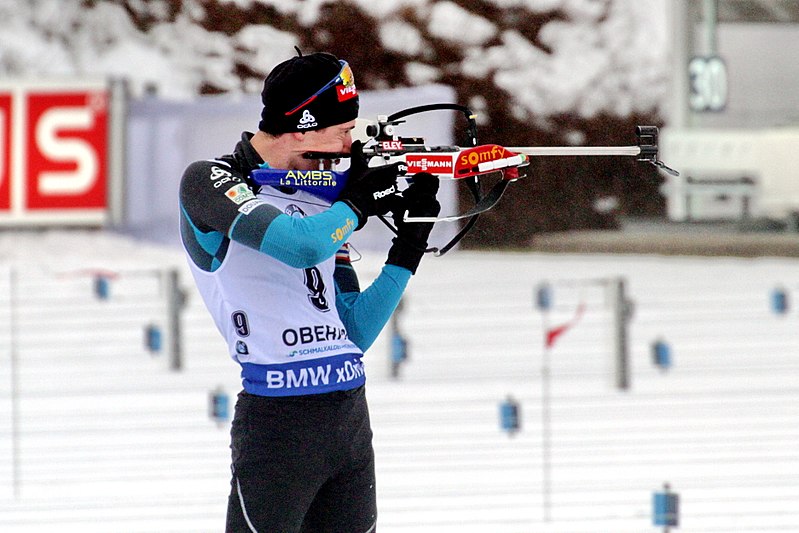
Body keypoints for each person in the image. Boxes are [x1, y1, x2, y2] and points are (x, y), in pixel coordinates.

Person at [178, 50, 440, 533]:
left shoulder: (317, 198)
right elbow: (300, 247)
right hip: (278, 426)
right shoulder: (209, 182)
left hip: (348, 420)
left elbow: (353, 332)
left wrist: (410, 244)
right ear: (301, 127)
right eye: (342, 130)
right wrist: (358, 202)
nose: (349, 144)